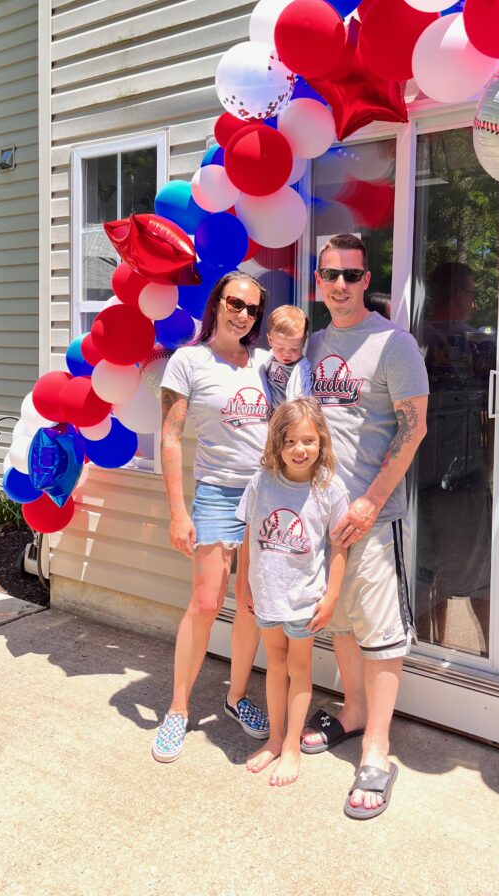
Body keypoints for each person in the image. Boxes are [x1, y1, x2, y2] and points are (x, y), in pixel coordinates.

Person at [303, 233, 429, 820]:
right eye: (330, 275)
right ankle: (352, 712)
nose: (340, 286)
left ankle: (377, 748)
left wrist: (371, 502)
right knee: (345, 623)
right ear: (318, 280)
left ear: (367, 279)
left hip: (373, 519)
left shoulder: (393, 344)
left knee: (380, 633)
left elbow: (414, 430)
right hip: (325, 519)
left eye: (351, 276)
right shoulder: (315, 343)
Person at [153, 271, 271, 762]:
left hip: (266, 497)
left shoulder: (269, 364)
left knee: (248, 605)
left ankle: (236, 696)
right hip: (217, 495)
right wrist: (179, 512)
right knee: (205, 602)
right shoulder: (188, 361)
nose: (242, 314)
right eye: (234, 303)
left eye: (251, 309)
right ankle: (177, 710)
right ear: (217, 303)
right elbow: (171, 437)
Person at [236, 397, 348, 786]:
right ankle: (276, 738)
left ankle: (292, 749)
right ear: (276, 445)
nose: (300, 450)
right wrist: (241, 580)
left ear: (321, 442)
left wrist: (331, 596)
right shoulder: (261, 482)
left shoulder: (330, 490)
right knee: (274, 665)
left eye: (308, 441)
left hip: (305, 600)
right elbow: (250, 532)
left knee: (299, 668)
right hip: (266, 594)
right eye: (290, 442)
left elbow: (339, 547)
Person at [418, 261, 493, 655]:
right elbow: (494, 413)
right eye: (471, 293)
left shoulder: (411, 338)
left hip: (416, 475)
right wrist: (491, 465)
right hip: (464, 474)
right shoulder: (480, 343)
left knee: (424, 572)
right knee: (477, 574)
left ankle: (427, 649)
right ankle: (488, 656)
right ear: (461, 296)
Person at [259, 304, 312, 406]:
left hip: (288, 415)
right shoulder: (267, 359)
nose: (287, 354)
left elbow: (304, 396)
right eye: (280, 348)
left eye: (294, 348)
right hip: (267, 414)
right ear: (270, 340)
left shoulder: (302, 369)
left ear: (303, 342)